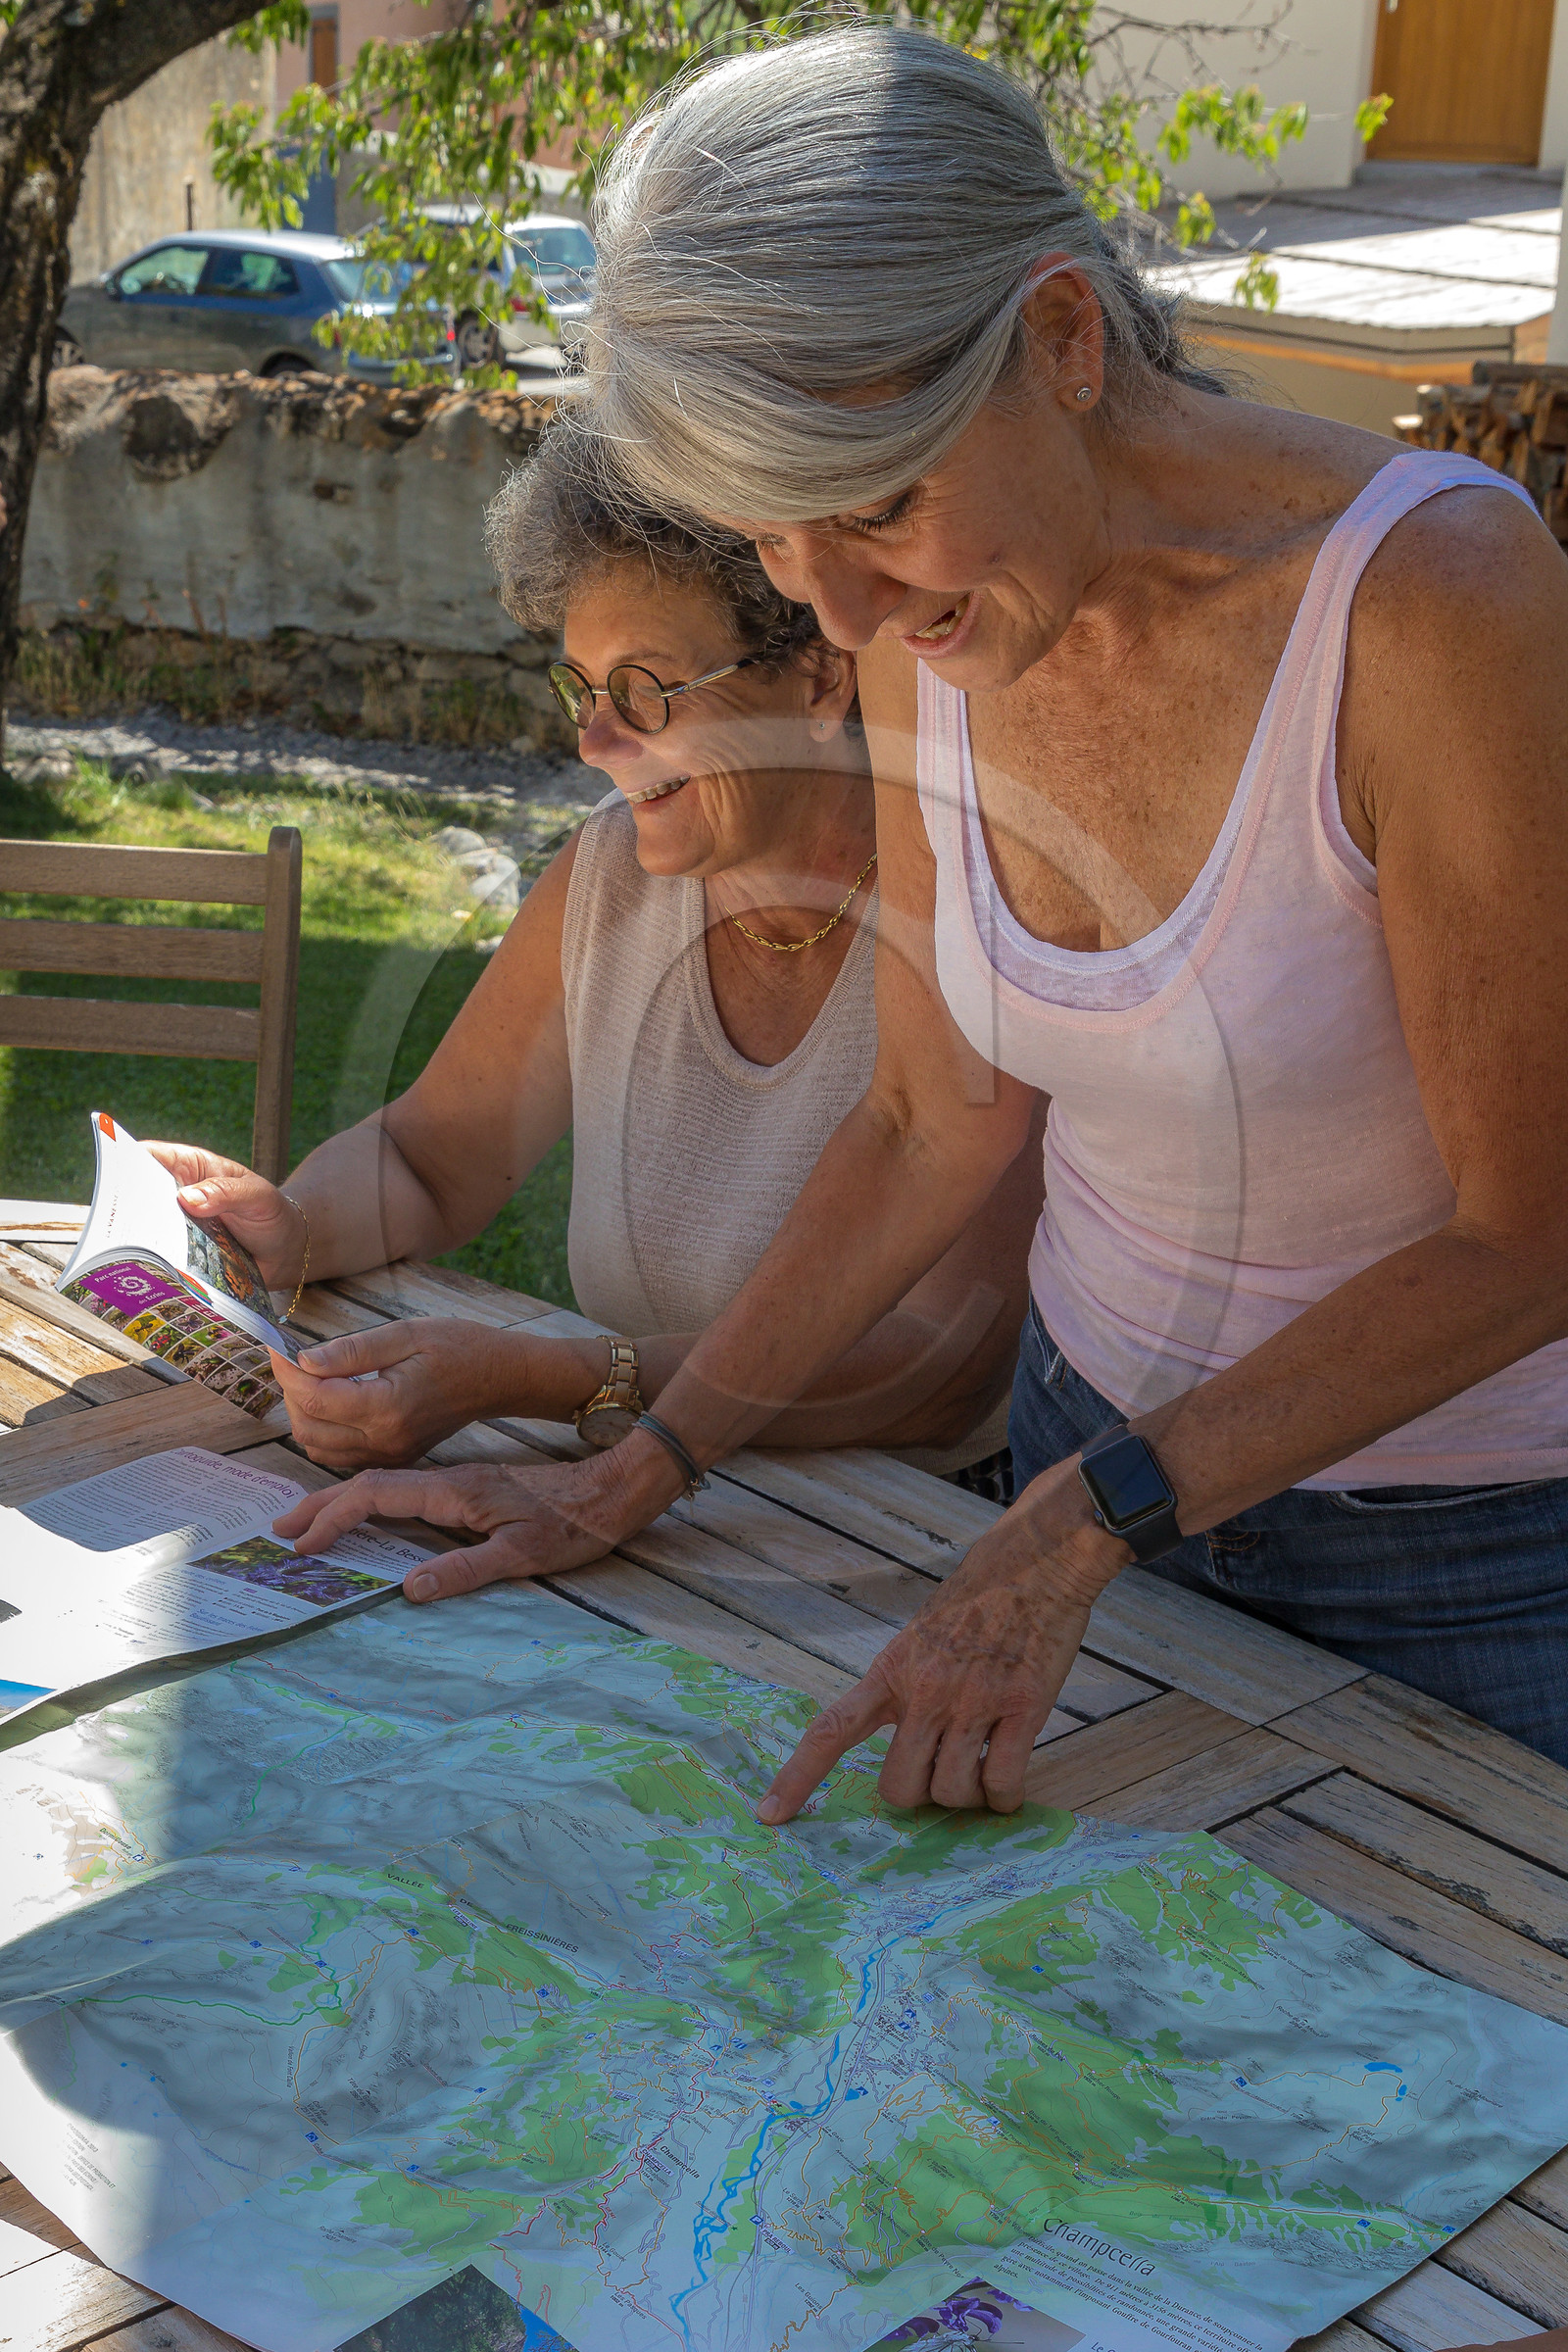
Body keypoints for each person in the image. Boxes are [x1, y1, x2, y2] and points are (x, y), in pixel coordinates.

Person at [278, 26, 1568, 1802]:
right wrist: (640, 1462)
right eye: (778, 536)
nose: (840, 600)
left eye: (877, 509)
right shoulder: (927, 625)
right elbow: (923, 1121)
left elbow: (1533, 1234)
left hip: (1460, 1560)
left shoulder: (1439, 600)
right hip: (1078, 1474)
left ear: (1059, 338)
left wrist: (1088, 1516)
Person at [152, 418, 1040, 1488]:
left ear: (817, 678)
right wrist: (290, 1227)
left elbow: (939, 1371)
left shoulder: (974, 911)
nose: (594, 742)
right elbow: (433, 1159)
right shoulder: (611, 874)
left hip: (905, 1534)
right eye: (580, 691)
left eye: (644, 690)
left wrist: (548, 1378)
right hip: (649, 1500)